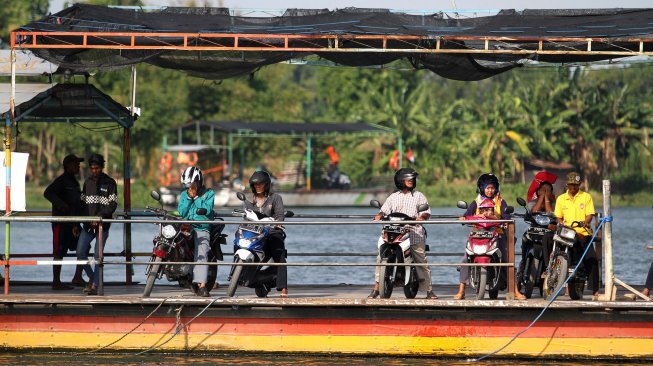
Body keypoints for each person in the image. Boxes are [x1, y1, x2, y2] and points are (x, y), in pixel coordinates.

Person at [368, 168, 437, 299]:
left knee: (421, 260)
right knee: (380, 257)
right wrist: (379, 215)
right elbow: (384, 210)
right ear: (401, 181)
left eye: (412, 179)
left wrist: (422, 217)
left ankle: (429, 291)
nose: (411, 181)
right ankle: (377, 287)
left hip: (414, 233)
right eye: (408, 179)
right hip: (393, 232)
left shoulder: (419, 196)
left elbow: (426, 211)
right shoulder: (394, 197)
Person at [454, 173, 526, 300]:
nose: (490, 190)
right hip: (478, 234)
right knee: (466, 259)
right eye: (487, 187)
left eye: (492, 188)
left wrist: (500, 221)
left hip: (497, 234)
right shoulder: (476, 202)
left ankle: (515, 290)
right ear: (482, 188)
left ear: (496, 188)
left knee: (506, 260)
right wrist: (464, 218)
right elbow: (466, 215)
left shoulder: (500, 201)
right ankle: (461, 290)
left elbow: (507, 217)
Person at [554, 172, 600, 298]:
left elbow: (590, 214)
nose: (573, 188)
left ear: (579, 185)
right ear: (567, 185)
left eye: (576, 185)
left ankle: (595, 290)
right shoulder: (561, 199)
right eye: (571, 185)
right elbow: (558, 217)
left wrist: (585, 223)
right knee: (563, 254)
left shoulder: (586, 197)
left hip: (583, 233)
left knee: (592, 259)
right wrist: (562, 224)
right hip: (567, 235)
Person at [76, 153, 118, 295]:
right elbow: (82, 204)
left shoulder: (110, 183)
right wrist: (77, 223)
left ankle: (94, 285)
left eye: (97, 168)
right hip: (87, 226)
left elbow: (113, 204)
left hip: (102, 226)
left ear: (102, 167)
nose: (95, 171)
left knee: (97, 256)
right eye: (92, 168)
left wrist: (100, 216)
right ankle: (93, 279)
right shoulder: (87, 183)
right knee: (80, 253)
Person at [43, 154, 86, 290]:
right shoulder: (61, 181)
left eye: (78, 164)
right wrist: (62, 205)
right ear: (67, 166)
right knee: (59, 252)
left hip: (74, 223)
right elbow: (48, 193)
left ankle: (77, 277)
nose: (78, 166)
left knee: (84, 247)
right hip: (61, 223)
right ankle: (56, 281)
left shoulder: (74, 182)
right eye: (75, 164)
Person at [243, 170, 288, 297]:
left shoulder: (275, 198)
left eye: (260, 184)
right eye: (255, 184)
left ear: (266, 185)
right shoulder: (249, 201)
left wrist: (277, 223)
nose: (258, 186)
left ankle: (283, 287)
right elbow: (246, 217)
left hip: (272, 232)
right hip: (255, 233)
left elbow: (280, 216)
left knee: (279, 254)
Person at [178, 166, 215, 297]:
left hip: (201, 227)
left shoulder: (209, 193)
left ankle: (202, 285)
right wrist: (189, 198)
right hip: (186, 226)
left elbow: (208, 209)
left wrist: (196, 198)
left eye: (191, 184)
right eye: (187, 185)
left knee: (201, 251)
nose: (189, 187)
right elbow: (182, 212)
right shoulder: (184, 194)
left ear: (198, 181)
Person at [518, 180, 557, 276]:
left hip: (548, 230)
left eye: (548, 191)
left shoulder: (554, 203)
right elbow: (534, 210)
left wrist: (546, 198)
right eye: (543, 190)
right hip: (535, 229)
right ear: (538, 191)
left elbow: (550, 213)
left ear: (551, 193)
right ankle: (523, 262)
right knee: (525, 237)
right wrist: (541, 198)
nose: (545, 192)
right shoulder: (533, 202)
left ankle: (550, 266)